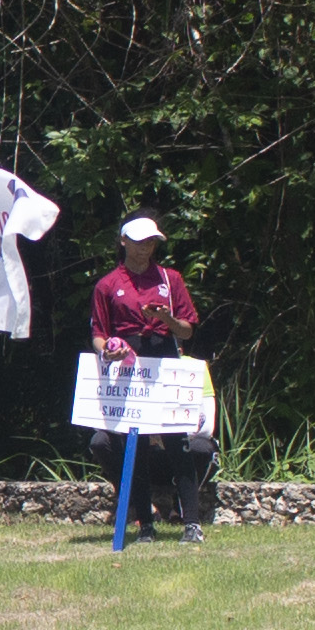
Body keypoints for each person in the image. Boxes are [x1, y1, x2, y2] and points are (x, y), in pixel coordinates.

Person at [89, 214, 216, 537]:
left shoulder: (170, 279)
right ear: (123, 242)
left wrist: (166, 319)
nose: (146, 248)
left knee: (178, 442)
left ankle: (192, 523)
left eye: (151, 242)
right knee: (136, 445)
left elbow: (187, 331)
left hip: (165, 360)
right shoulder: (108, 285)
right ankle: (145, 524)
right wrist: (108, 351)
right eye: (140, 241)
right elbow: (100, 334)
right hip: (128, 366)